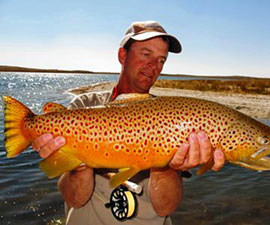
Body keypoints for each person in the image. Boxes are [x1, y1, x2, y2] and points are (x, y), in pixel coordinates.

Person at [32, 21, 225, 225]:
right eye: (146, 54)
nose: (154, 66)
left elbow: (165, 207)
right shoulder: (84, 107)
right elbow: (74, 199)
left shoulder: (172, 119)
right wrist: (79, 166)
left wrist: (166, 167)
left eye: (161, 60)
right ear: (122, 55)